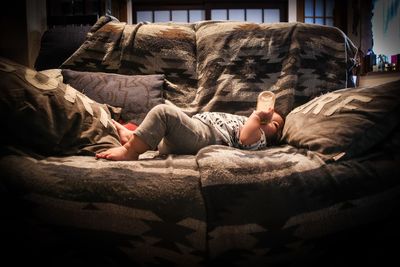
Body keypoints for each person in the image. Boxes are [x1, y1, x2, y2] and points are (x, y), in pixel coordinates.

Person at [95, 104, 284, 161]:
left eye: (273, 123)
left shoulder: (258, 138)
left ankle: (130, 150)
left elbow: (244, 137)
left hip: (208, 137)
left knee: (164, 113)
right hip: (195, 130)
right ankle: (134, 136)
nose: (268, 119)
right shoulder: (247, 122)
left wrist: (257, 117)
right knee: (166, 123)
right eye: (268, 116)